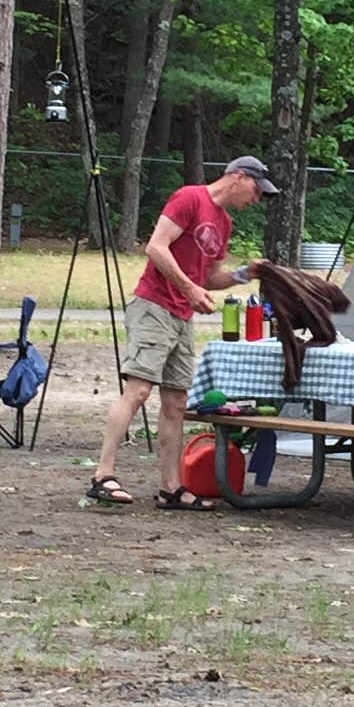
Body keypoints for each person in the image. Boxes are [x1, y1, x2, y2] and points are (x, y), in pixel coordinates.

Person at [88, 155, 269, 510]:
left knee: (176, 402)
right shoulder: (190, 197)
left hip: (182, 315)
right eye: (256, 189)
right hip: (153, 305)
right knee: (138, 390)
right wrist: (188, 288)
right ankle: (102, 476)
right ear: (237, 176)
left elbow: (209, 277)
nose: (257, 198)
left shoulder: (224, 223)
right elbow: (156, 247)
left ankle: (170, 488)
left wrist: (244, 274)